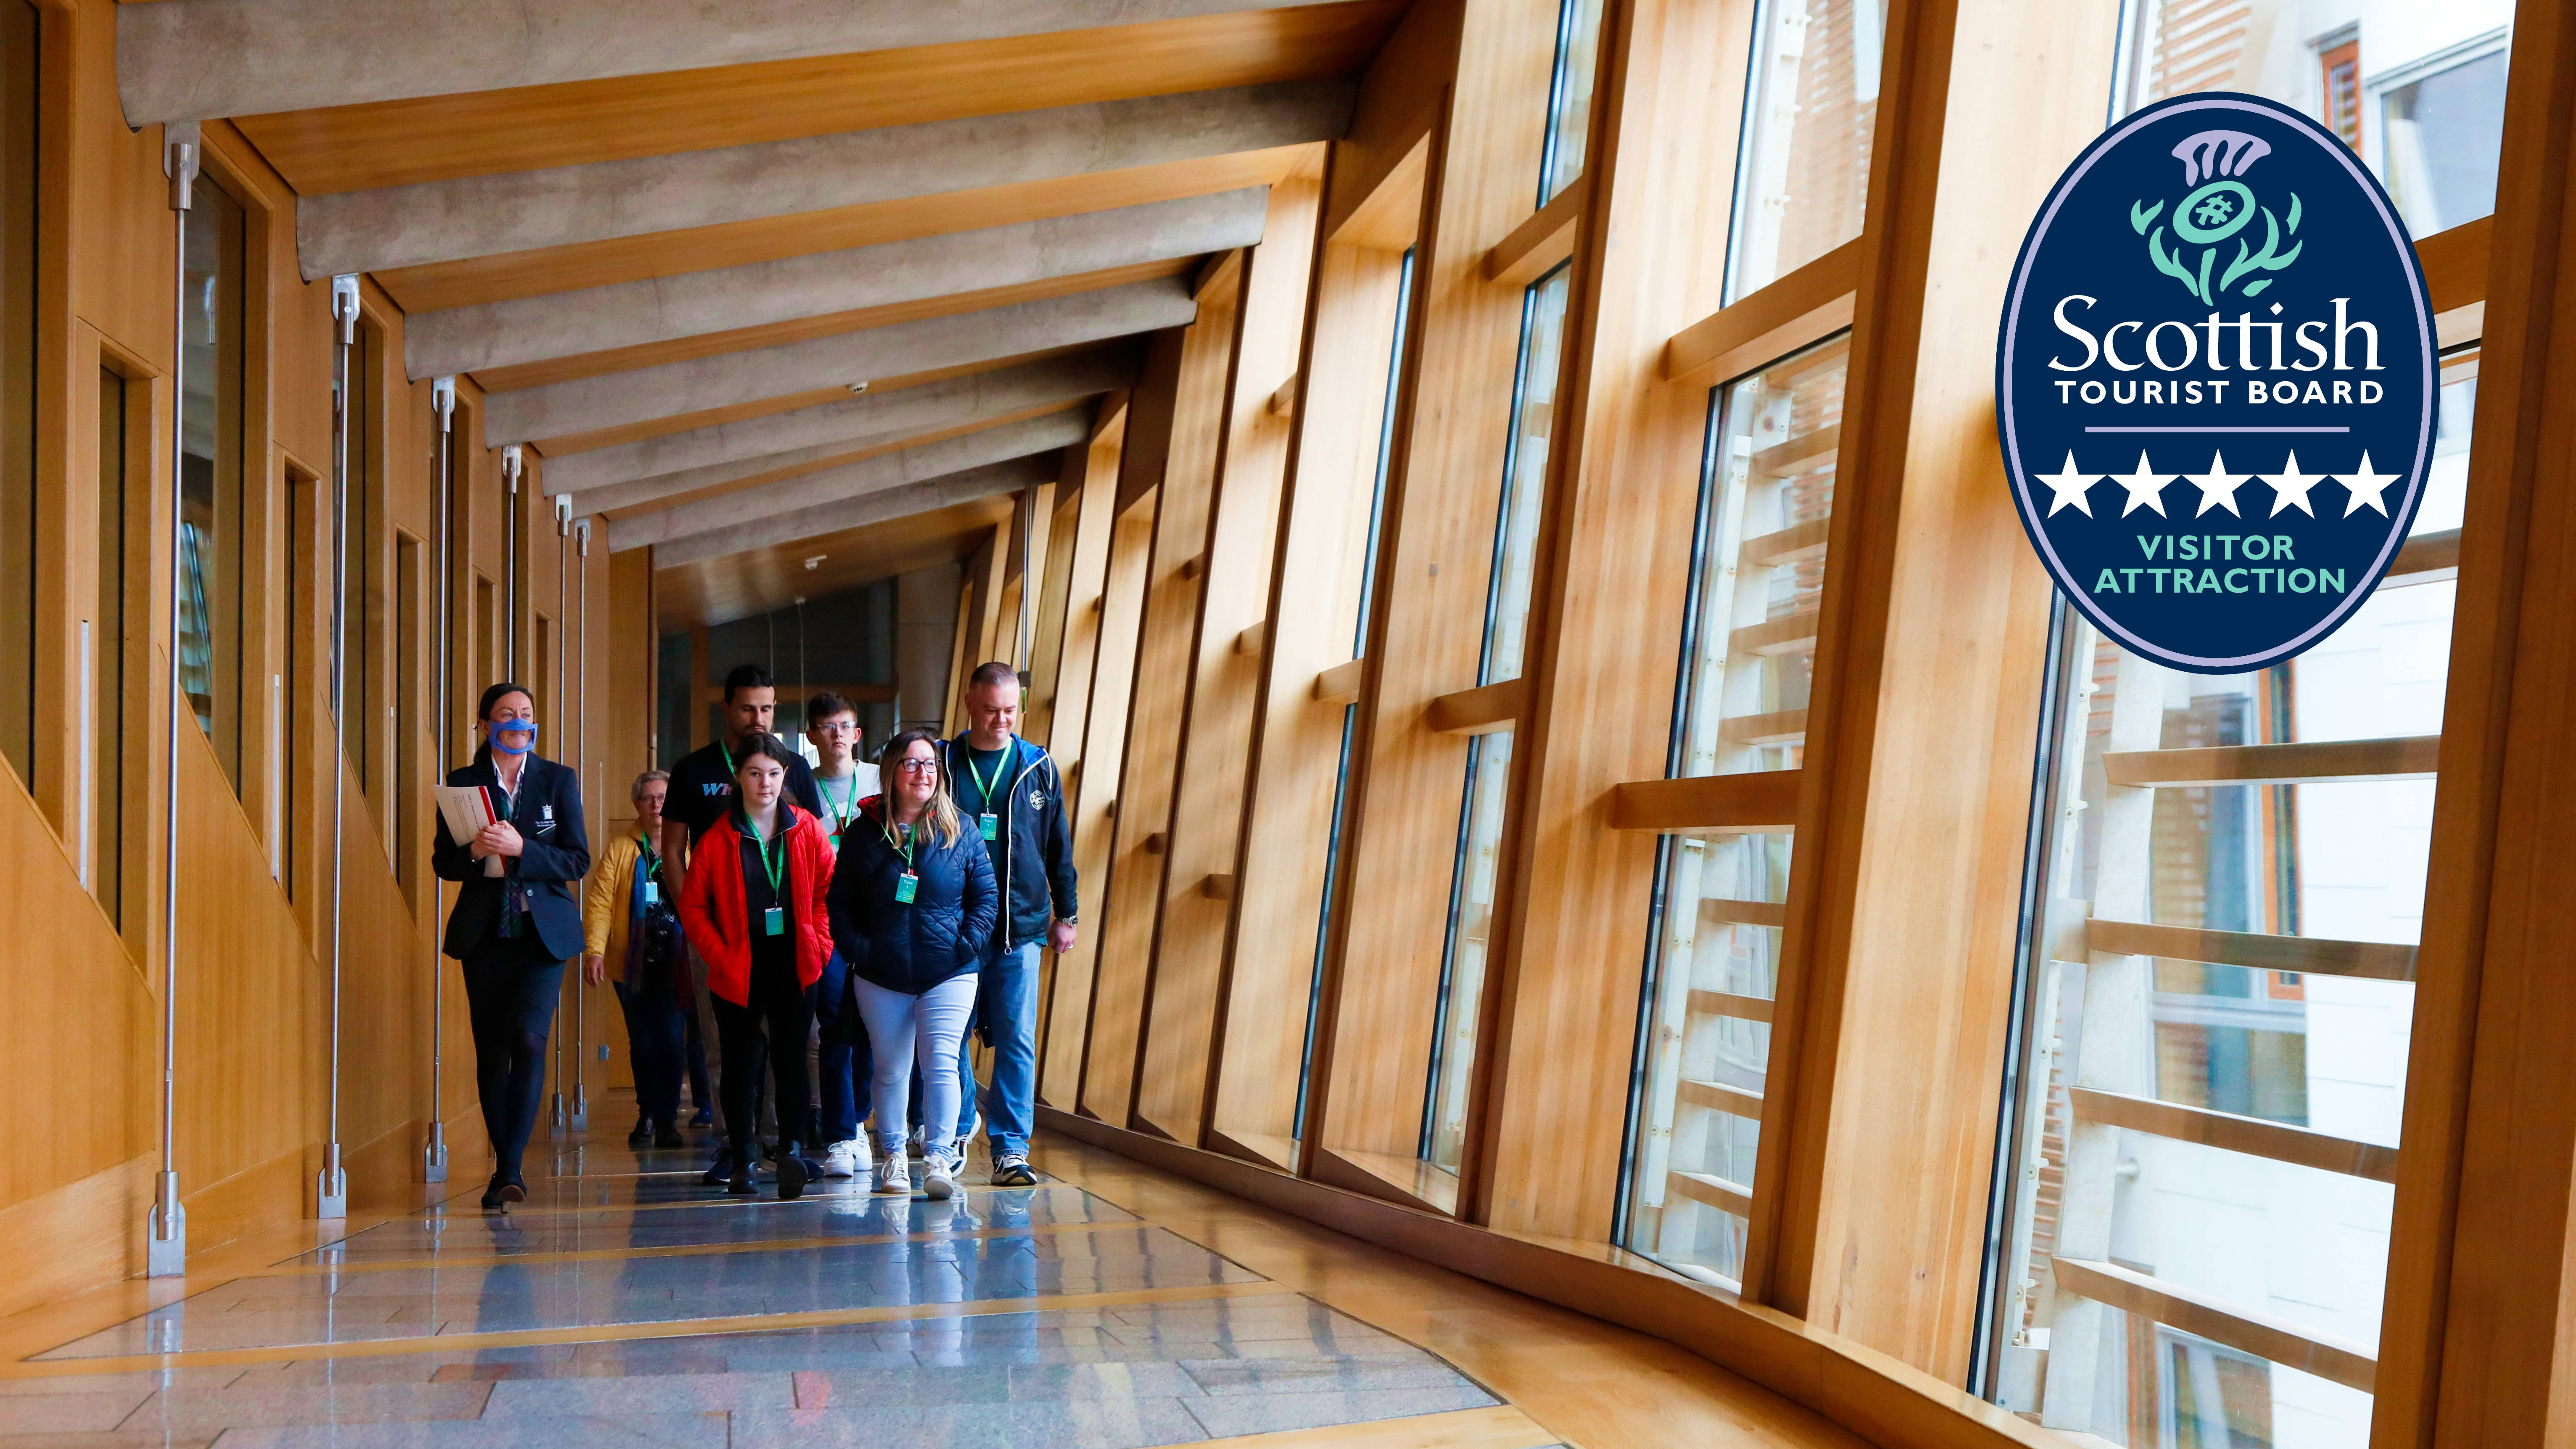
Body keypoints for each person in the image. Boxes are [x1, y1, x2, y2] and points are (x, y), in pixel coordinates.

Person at [433, 683, 592, 1210]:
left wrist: (525, 849)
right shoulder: (461, 786)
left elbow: (576, 860)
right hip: (485, 938)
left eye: (526, 714)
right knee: (493, 1049)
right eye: (506, 715)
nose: (518, 723)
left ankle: (512, 1167)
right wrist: (476, 853)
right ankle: (503, 1165)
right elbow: (443, 864)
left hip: (541, 938)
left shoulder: (556, 780)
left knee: (529, 1040)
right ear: (484, 725)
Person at [661, 664, 826, 1160]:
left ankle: (782, 1143)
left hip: (789, 942)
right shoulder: (694, 769)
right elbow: (673, 851)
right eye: (748, 707)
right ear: (727, 708)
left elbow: (818, 861)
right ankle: (734, 1146)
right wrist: (697, 930)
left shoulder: (791, 764)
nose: (758, 717)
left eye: (767, 708)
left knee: (790, 1050)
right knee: (724, 1050)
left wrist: (818, 941)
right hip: (718, 934)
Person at [828, 730, 996, 1201]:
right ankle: (895, 1156)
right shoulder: (865, 832)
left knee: (941, 1063)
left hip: (950, 971)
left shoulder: (959, 828)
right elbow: (838, 901)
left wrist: (966, 946)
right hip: (882, 973)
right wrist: (859, 950)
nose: (922, 773)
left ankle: (940, 1155)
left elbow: (985, 896)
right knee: (890, 1068)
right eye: (910, 764)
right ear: (891, 773)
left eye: (929, 765)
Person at [677, 732, 836, 1199]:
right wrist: (718, 954)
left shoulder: (806, 829)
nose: (764, 783)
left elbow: (828, 893)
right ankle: (745, 1156)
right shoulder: (718, 837)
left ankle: (789, 1151)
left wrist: (820, 943)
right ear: (738, 779)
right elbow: (693, 908)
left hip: (796, 963)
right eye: (753, 773)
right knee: (741, 1065)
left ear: (785, 775)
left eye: (773, 773)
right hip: (738, 968)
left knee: (791, 1062)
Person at [939, 663, 1077, 1188]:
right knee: (948, 1037)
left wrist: (1066, 913)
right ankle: (953, 1131)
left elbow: (1057, 845)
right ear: (971, 704)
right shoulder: (945, 764)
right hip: (953, 927)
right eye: (992, 710)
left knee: (1018, 1039)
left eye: (1011, 711)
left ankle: (1011, 1150)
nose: (1002, 720)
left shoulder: (1037, 766)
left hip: (1020, 928)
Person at [582, 770, 688, 1151]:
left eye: (664, 797)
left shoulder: (689, 847)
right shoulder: (620, 849)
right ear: (637, 804)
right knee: (642, 1043)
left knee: (672, 1042)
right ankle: (646, 1110)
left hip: (679, 965)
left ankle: (668, 1120)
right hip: (632, 966)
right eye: (649, 798)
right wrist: (595, 950)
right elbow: (600, 904)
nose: (657, 805)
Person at [805, 692, 879, 1179]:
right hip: (824, 919)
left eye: (845, 726)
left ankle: (859, 1124)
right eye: (827, 727)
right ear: (812, 735)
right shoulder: (799, 786)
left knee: (873, 1026)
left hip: (875, 918)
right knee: (834, 1022)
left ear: (856, 734)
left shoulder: (877, 779)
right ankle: (840, 1135)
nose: (837, 735)